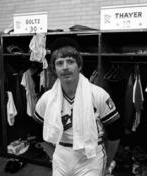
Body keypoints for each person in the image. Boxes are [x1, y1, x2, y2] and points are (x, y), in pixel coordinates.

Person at [34, 45, 122, 176]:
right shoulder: (47, 99)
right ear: (54, 69)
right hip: (61, 154)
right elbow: (36, 128)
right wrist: (54, 156)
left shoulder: (98, 94)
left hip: (91, 156)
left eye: (70, 61)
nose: (65, 67)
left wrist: (107, 163)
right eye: (59, 63)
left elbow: (115, 132)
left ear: (79, 66)